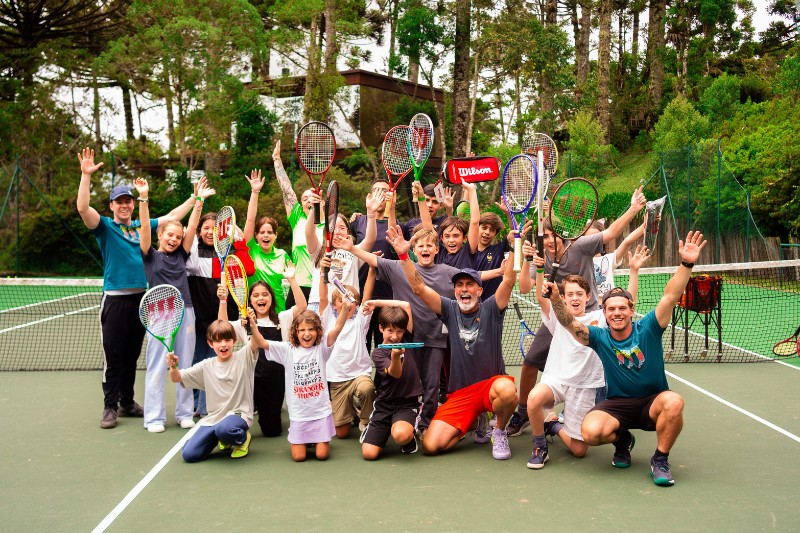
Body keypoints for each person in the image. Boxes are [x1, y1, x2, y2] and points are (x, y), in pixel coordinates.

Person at [548, 231, 707, 486]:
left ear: (632, 310)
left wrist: (686, 264)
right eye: (611, 309)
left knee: (674, 402)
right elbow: (569, 323)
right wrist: (556, 299)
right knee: (590, 432)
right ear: (605, 312)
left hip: (651, 402)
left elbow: (670, 296)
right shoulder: (599, 337)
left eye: (622, 308)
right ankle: (622, 441)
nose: (617, 313)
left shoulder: (649, 328)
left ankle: (660, 459)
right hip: (617, 405)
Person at [507, 187, 647, 437]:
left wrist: (634, 208)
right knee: (530, 362)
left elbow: (612, 232)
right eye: (545, 238)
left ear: (561, 235)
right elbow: (527, 287)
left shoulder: (581, 245)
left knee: (603, 367)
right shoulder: (541, 256)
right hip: (558, 317)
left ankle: (606, 413)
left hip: (590, 316)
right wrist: (530, 262)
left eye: (552, 236)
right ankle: (523, 412)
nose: (549, 242)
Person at [77, 147, 201, 429]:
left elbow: (172, 217)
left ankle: (127, 401)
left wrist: (194, 200)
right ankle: (109, 406)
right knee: (114, 354)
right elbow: (83, 209)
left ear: (133, 204)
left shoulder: (141, 227)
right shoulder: (105, 227)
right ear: (111, 205)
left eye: (127, 201)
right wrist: (86, 176)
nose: (124, 205)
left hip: (146, 301)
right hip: (116, 300)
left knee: (133, 354)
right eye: (119, 202)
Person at [387, 225, 519, 460]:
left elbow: (508, 281)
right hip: (461, 395)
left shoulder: (491, 308)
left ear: (479, 290)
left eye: (470, 285)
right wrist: (404, 256)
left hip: (491, 387)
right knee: (431, 446)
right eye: (459, 285)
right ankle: (471, 422)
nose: (464, 289)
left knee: (507, 390)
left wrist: (514, 243)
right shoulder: (448, 308)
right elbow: (418, 287)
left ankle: (498, 431)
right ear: (454, 290)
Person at [522, 246, 649, 470]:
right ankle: (540, 445)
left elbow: (627, 304)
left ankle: (554, 427)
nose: (575, 298)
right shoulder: (556, 315)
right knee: (533, 398)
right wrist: (539, 269)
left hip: (585, 386)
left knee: (579, 451)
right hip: (557, 380)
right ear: (562, 297)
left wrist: (634, 271)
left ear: (588, 296)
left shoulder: (599, 317)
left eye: (579, 294)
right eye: (569, 294)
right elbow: (543, 298)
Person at [136, 176, 215, 433]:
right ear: (161, 235)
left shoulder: (182, 253)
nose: (174, 239)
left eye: (178, 237)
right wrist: (144, 198)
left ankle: (183, 413)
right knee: (159, 366)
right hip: (160, 314)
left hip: (186, 311)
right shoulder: (150, 256)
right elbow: (145, 227)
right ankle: (154, 418)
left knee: (186, 365)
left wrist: (199, 203)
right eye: (170, 235)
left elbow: (192, 228)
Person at [218, 265, 307, 438]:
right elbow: (221, 327)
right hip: (251, 379)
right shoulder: (245, 323)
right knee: (239, 411)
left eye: (265, 294)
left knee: (271, 431)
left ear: (271, 299)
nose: (261, 298)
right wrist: (223, 300)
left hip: (276, 378)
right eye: (256, 295)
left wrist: (292, 279)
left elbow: (302, 306)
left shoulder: (282, 319)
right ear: (249, 300)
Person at [257, 306, 350, 462]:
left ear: (318, 331)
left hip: (320, 412)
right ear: (296, 332)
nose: (307, 334)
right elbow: (261, 342)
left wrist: (346, 308)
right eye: (302, 330)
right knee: (299, 457)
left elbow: (338, 327)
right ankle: (306, 438)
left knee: (322, 455)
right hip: (299, 413)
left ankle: (319, 438)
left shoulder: (321, 348)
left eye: (311, 329)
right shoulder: (287, 349)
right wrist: (252, 325)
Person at [167, 316, 263, 462]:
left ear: (234, 341)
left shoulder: (244, 357)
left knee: (224, 429)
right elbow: (176, 378)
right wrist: (173, 367)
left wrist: (252, 325)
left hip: (239, 415)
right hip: (214, 419)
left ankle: (242, 438)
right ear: (210, 344)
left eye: (227, 340)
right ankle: (223, 437)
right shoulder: (206, 366)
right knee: (189, 454)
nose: (223, 345)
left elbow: (255, 342)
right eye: (218, 341)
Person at [187, 214, 255, 418]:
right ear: (199, 231)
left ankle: (206, 408)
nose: (210, 232)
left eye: (214, 228)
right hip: (198, 321)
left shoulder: (229, 252)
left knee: (216, 365)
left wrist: (240, 243)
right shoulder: (194, 253)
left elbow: (249, 269)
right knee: (196, 363)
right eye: (205, 228)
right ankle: (192, 404)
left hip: (223, 321)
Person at [360, 304, 422, 459]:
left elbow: (407, 306)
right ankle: (380, 428)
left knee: (400, 435)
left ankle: (407, 433)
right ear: (381, 328)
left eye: (399, 331)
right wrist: (395, 356)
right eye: (390, 331)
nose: (395, 336)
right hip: (384, 404)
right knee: (369, 454)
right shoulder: (379, 353)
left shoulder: (407, 338)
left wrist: (376, 303)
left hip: (407, 403)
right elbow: (396, 373)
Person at [318, 273, 375, 439]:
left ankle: (365, 420)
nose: (348, 302)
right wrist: (323, 273)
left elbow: (367, 296)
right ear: (335, 304)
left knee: (367, 388)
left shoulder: (360, 322)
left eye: (352, 300)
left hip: (359, 375)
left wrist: (371, 269)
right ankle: (351, 409)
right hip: (338, 381)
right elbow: (322, 298)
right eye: (343, 299)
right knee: (342, 433)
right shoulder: (328, 321)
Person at [272, 140, 322, 307]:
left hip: (322, 287)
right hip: (298, 286)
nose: (308, 200)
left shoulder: (331, 224)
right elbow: (287, 190)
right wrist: (277, 160)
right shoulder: (297, 219)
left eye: (312, 197)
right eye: (304, 198)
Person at [244, 169, 291, 313]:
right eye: (262, 232)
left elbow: (290, 286)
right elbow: (251, 220)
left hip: (280, 313)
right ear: (256, 235)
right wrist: (255, 192)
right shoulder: (250, 249)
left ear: (276, 235)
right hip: (255, 314)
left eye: (270, 232)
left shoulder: (283, 255)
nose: (266, 235)